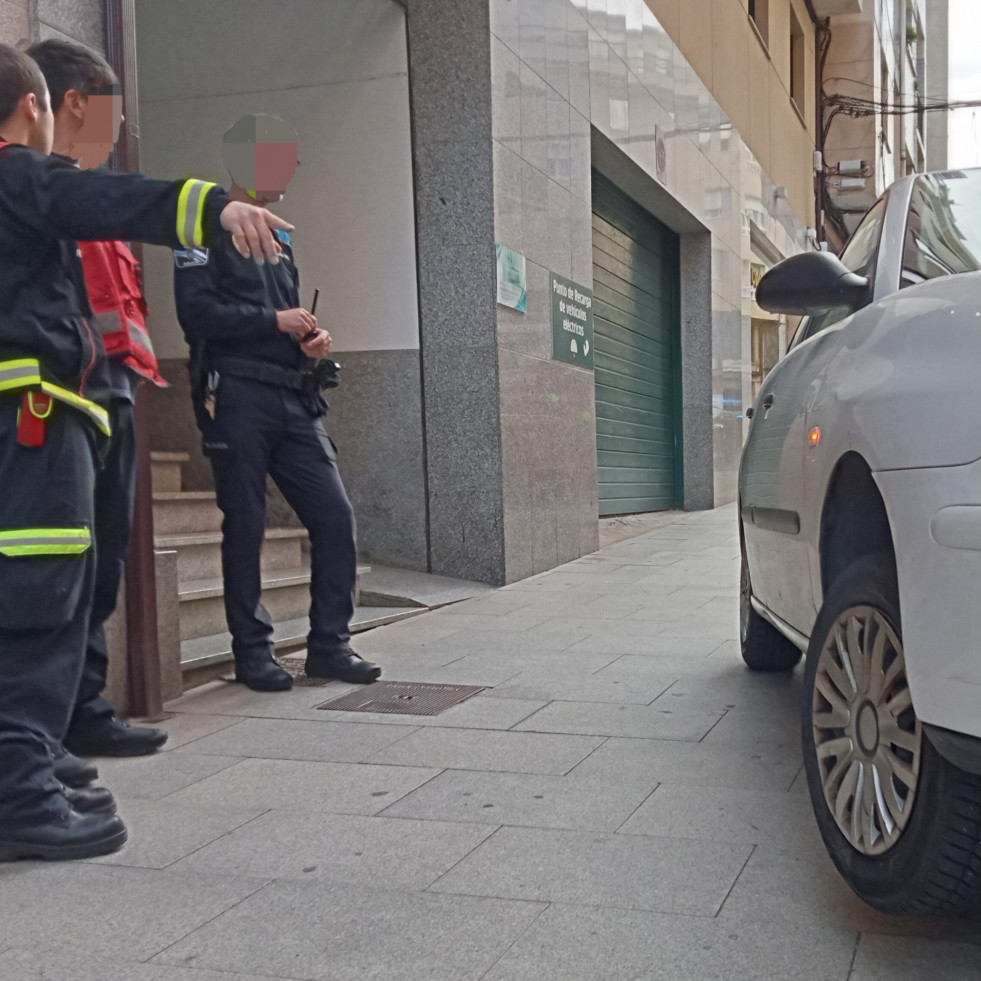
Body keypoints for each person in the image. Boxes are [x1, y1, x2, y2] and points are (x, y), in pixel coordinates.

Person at [0, 44, 290, 862]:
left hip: (33, 424)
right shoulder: (16, 173)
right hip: (31, 423)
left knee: (32, 593)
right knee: (41, 596)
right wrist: (208, 207)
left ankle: (29, 755)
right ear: (33, 111)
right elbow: (98, 196)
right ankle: (18, 789)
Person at [174, 114, 381, 693]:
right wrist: (274, 319)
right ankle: (252, 653)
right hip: (235, 393)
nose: (290, 167)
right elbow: (197, 316)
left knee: (334, 514)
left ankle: (330, 646)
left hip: (294, 396)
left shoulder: (282, 236)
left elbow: (285, 321)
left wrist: (308, 340)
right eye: (280, 156)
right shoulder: (199, 230)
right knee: (246, 522)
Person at [26, 39, 169, 770]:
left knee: (102, 555)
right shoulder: (44, 194)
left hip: (113, 388)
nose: (116, 129)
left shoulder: (79, 189)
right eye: (109, 111)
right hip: (64, 397)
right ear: (72, 103)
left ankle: (80, 709)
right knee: (63, 562)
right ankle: (46, 729)